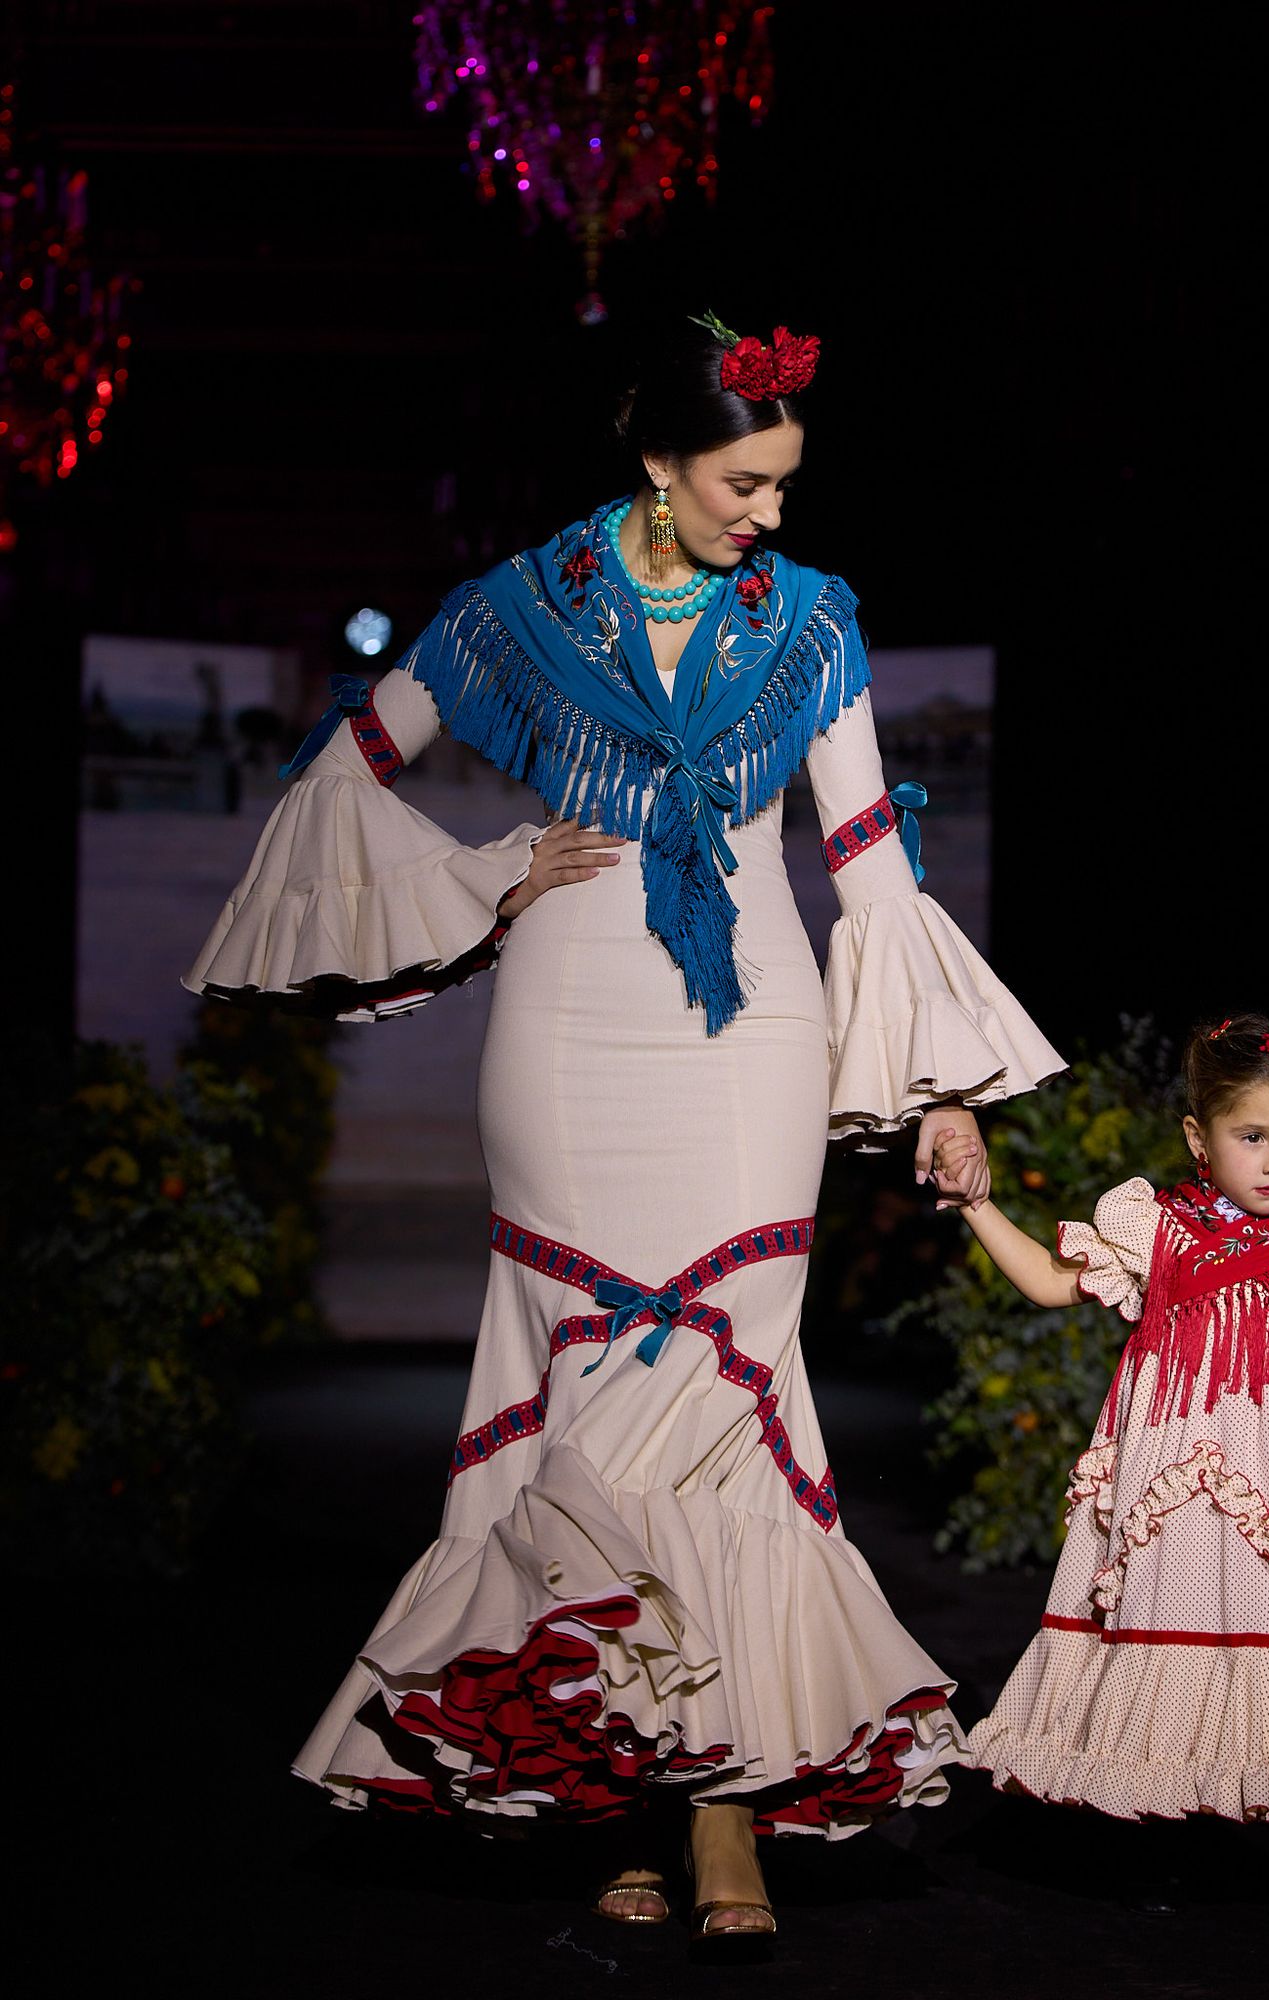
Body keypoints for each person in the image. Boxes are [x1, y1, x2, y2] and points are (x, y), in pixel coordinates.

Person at [185, 312, 1062, 1948]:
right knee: (588, 1399)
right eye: (747, 481)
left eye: (788, 483)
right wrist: (485, 874)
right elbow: (347, 769)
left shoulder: (812, 623)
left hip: (756, 1043)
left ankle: (724, 1802)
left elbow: (870, 859)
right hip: (572, 1031)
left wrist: (938, 1088)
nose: (774, 515)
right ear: (657, 460)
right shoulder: (515, 614)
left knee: (732, 1397)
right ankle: (615, 1785)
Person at [928, 1012, 1269, 1958]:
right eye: (1252, 1136)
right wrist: (978, 1206)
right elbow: (1051, 1284)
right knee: (1177, 1648)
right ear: (1200, 1137)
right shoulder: (1155, 1230)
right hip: (1179, 1495)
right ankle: (1162, 1840)